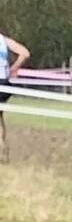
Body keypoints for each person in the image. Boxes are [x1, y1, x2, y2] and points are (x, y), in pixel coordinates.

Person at [0, 29, 31, 165]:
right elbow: (25, 53)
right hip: (4, 83)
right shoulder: (4, 40)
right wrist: (13, 68)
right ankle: (3, 146)